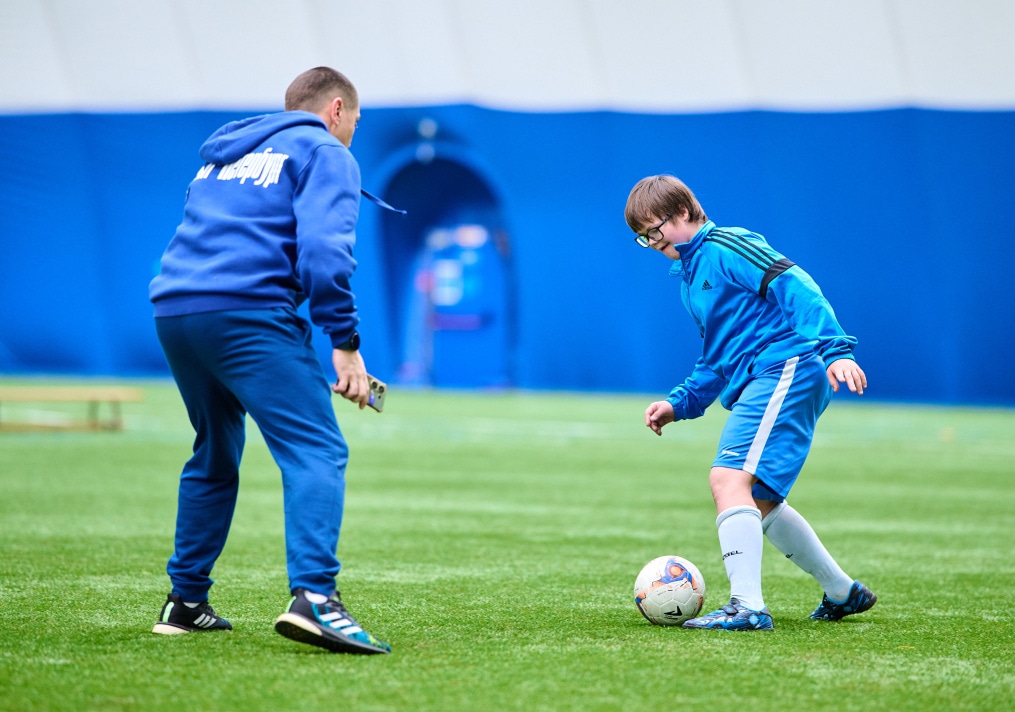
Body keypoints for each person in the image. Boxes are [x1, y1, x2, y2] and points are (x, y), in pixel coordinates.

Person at [147, 67, 390, 654]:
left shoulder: (222, 157)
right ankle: (315, 599)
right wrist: (346, 342)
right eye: (354, 120)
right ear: (336, 109)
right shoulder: (324, 150)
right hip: (246, 311)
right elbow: (324, 253)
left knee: (215, 451)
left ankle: (184, 602)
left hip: (176, 312)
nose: (353, 130)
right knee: (316, 449)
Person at [625, 174, 877, 631]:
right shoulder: (690, 276)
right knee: (759, 500)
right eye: (642, 238)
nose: (651, 241)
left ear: (683, 213)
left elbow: (796, 284)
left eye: (654, 230)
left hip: (786, 367)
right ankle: (843, 593)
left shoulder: (726, 245)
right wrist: (678, 403)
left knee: (727, 478)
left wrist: (836, 349)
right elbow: (718, 358)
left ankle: (747, 607)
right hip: (772, 375)